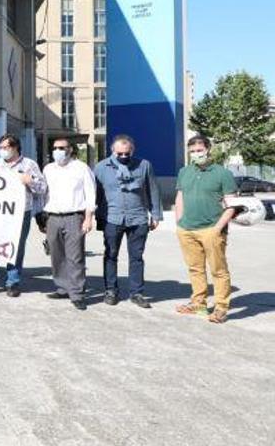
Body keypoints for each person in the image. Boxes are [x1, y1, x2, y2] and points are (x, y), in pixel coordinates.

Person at [174, 135, 238, 324]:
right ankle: (198, 304)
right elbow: (180, 197)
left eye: (199, 150)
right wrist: (180, 222)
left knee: (218, 270)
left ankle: (221, 307)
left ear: (208, 149)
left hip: (212, 229)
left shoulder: (222, 173)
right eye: (192, 151)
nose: (196, 154)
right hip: (187, 229)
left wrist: (218, 228)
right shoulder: (184, 172)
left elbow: (232, 205)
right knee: (195, 269)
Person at [94, 134, 163, 308]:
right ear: (112, 151)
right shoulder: (101, 167)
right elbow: (96, 194)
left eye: (127, 153)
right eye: (120, 154)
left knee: (136, 257)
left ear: (132, 150)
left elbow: (153, 190)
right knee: (110, 255)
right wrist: (96, 216)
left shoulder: (144, 165)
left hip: (137, 218)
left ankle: (137, 292)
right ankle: (111, 290)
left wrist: (155, 214)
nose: (124, 157)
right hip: (112, 218)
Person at [0, 134, 46, 297]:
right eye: (0, 148)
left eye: (5, 147)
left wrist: (29, 181)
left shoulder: (29, 164)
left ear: (15, 147)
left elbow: (42, 188)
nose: (2, 151)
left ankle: (12, 282)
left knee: (16, 247)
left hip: (21, 213)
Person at [42, 138, 95, 311]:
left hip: (74, 217)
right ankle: (62, 287)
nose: (58, 151)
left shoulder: (81, 168)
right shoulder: (48, 169)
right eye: (55, 148)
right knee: (56, 255)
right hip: (53, 217)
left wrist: (88, 218)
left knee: (75, 256)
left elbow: (90, 194)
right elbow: (43, 192)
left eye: (62, 148)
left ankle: (77, 293)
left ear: (70, 149)